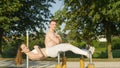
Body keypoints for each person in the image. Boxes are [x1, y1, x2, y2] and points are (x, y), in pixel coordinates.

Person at [15, 43, 95, 65]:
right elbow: (41, 56)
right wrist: (37, 48)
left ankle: (86, 51)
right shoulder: (30, 56)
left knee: (68, 45)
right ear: (22, 51)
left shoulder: (30, 53)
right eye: (24, 48)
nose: (27, 47)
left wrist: (38, 48)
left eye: (26, 46)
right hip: (50, 52)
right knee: (69, 46)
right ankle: (86, 53)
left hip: (50, 50)